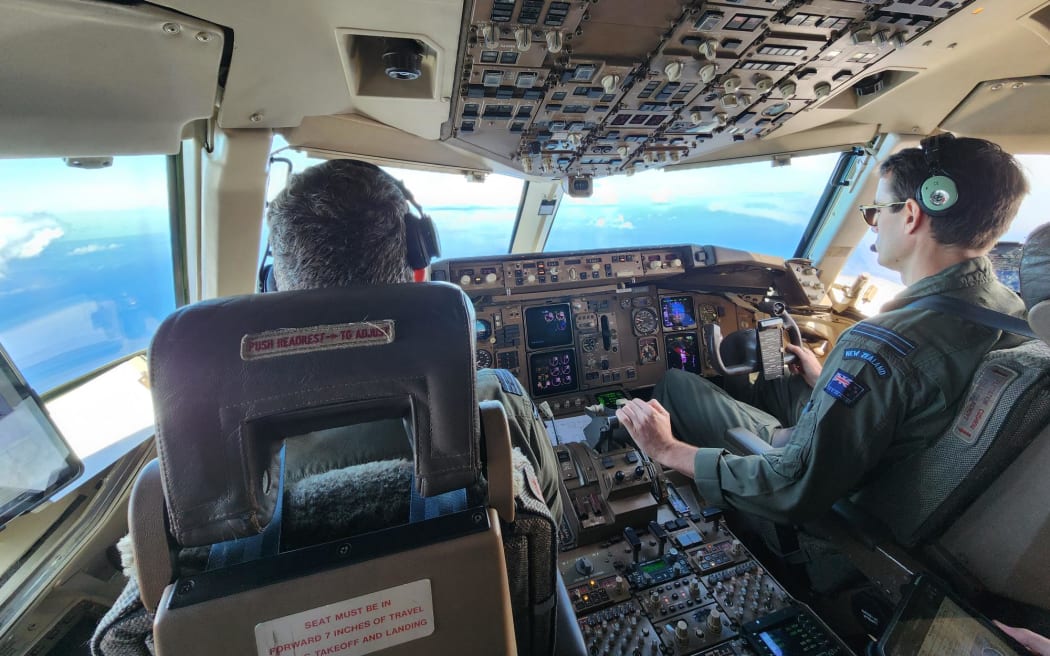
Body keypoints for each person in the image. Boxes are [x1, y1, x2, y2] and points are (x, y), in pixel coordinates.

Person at [616, 134, 1029, 524]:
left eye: (875, 211)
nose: (871, 223)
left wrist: (666, 449)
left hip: (838, 508)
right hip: (897, 472)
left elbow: (790, 484)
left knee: (677, 384)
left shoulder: (881, 347)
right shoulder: (1012, 312)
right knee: (778, 381)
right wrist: (824, 379)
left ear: (911, 215)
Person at [267, 158, 563, 524]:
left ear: (274, 290)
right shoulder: (496, 403)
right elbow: (551, 521)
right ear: (421, 267)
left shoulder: (239, 463)